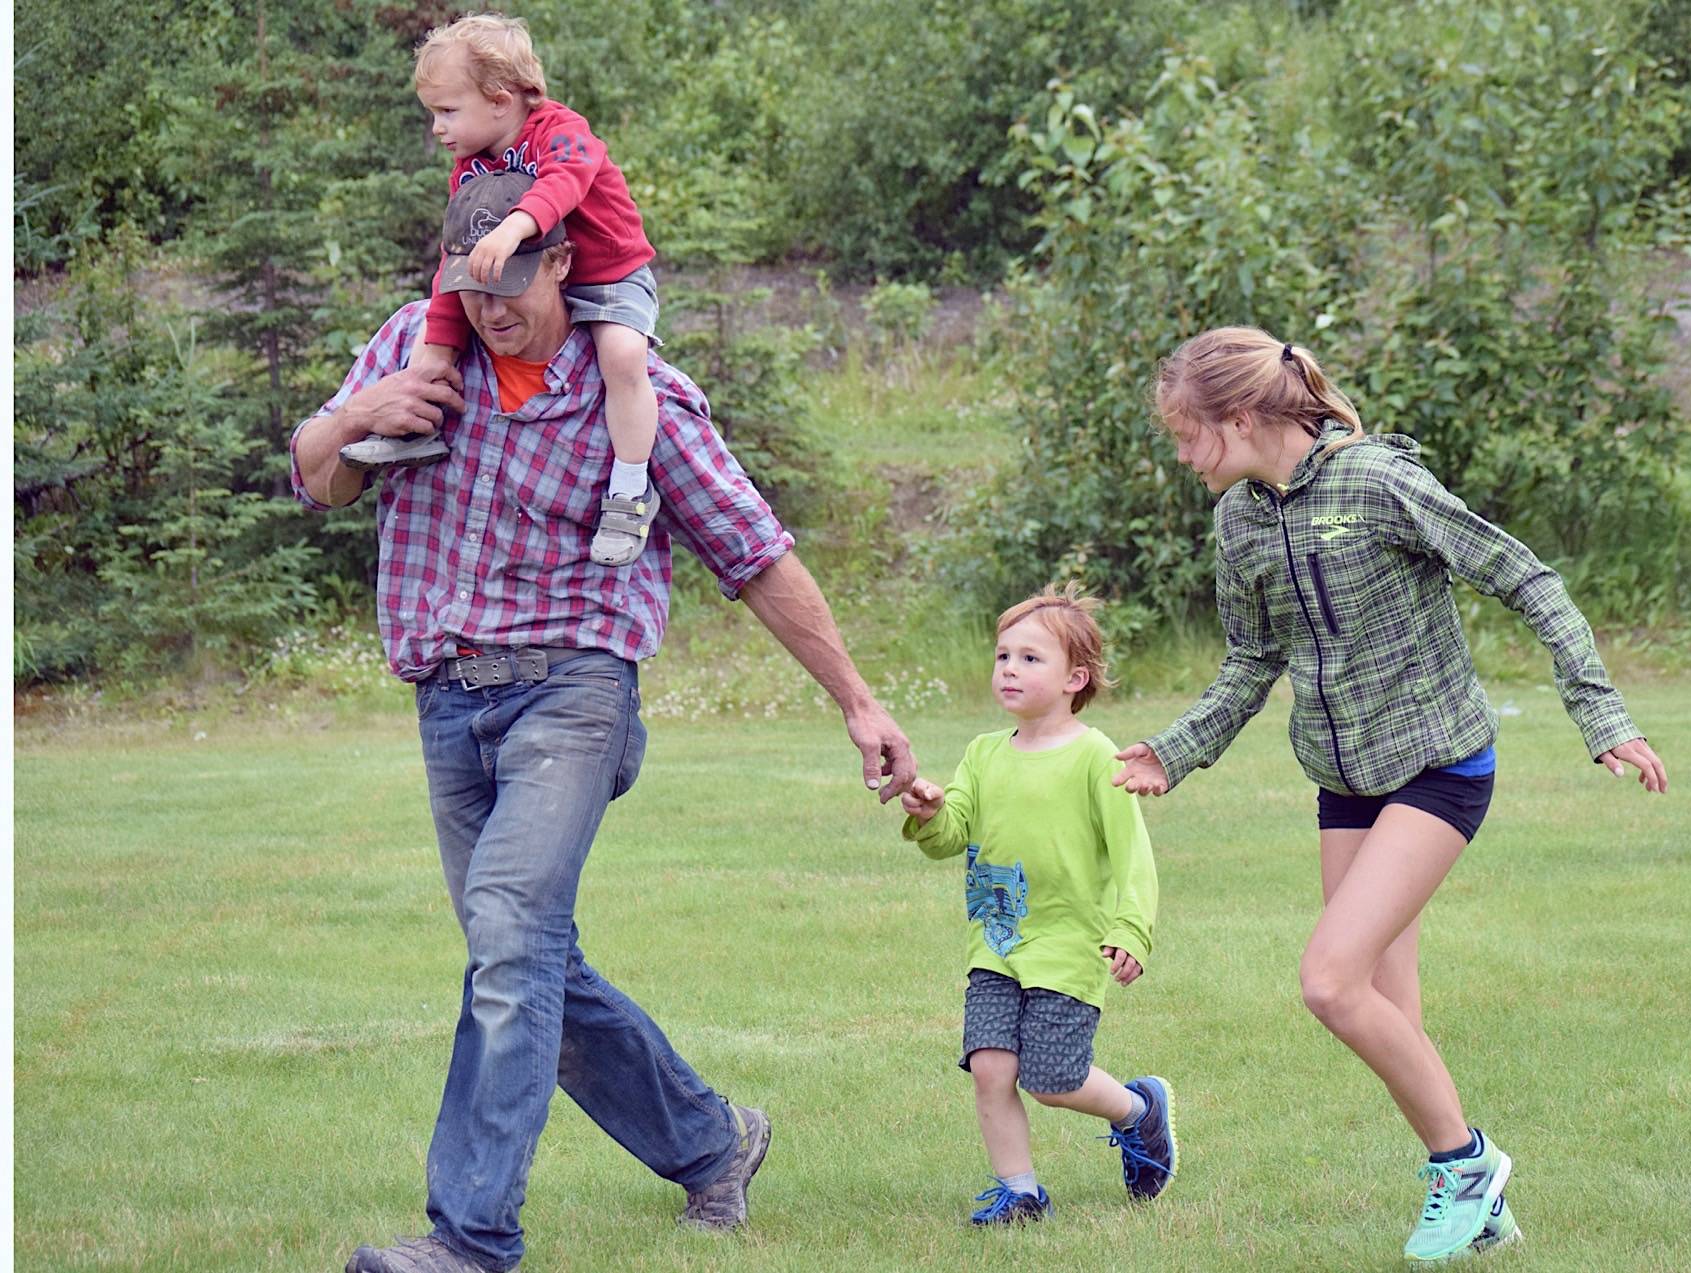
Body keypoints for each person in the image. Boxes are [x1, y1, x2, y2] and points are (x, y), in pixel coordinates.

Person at [291, 171, 916, 1273]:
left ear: (564, 265)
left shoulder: (635, 390)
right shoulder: (415, 347)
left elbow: (752, 549)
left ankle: (470, 1241)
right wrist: (352, 417)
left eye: (511, 282)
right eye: (470, 287)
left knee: (508, 946)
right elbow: (318, 481)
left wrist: (857, 701)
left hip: (573, 693)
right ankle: (713, 1142)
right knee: (524, 957)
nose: (491, 310)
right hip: (446, 698)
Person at [1111, 327, 1668, 1264]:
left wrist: (1601, 714)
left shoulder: (1379, 482)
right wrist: (1176, 751)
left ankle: (1469, 1163)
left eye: (1186, 432)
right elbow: (1252, 660)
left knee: (1329, 982)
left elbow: (1525, 577)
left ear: (1239, 418)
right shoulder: (1239, 519)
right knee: (1384, 1008)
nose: (1179, 453)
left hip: (1438, 765)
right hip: (1344, 782)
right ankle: (1481, 1210)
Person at [340, 13, 665, 569]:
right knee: (430, 348)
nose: (438, 129)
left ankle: (629, 491)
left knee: (623, 355)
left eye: (447, 112)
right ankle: (418, 434)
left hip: (607, 273)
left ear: (498, 99)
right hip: (521, 281)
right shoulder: (471, 167)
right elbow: (455, 255)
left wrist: (515, 225)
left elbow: (565, 182)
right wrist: (437, 341)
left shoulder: (561, 130)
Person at [898, 584, 1177, 1226]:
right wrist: (932, 811)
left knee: (1051, 1081)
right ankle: (1020, 1192)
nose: (1010, 670)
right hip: (994, 943)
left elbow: (1134, 855)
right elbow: (951, 836)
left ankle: (1140, 1110)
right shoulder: (983, 753)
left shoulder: (1095, 757)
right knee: (991, 1067)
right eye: (1003, 657)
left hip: (1066, 946)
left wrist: (1131, 930)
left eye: (1030, 659)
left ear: (1075, 677)